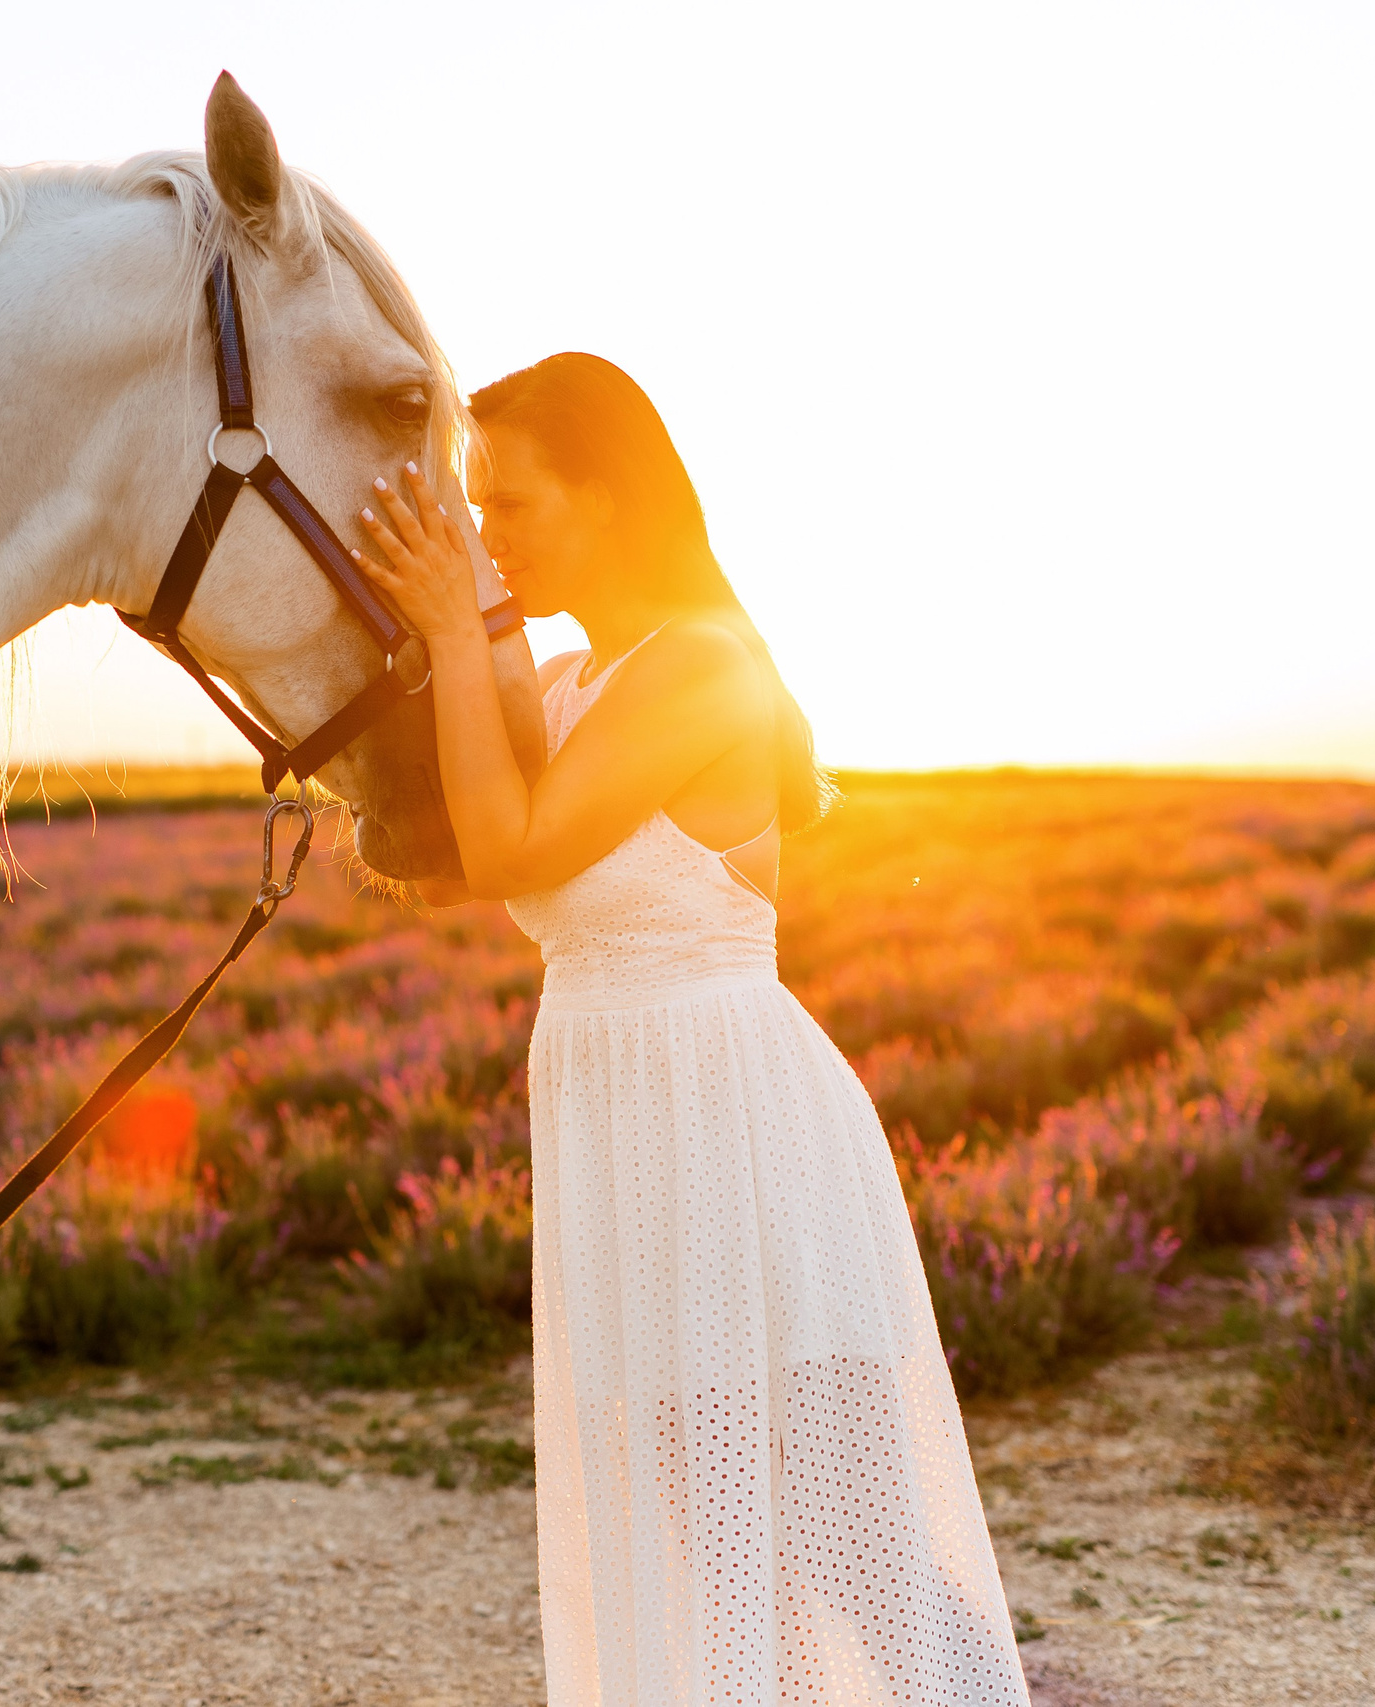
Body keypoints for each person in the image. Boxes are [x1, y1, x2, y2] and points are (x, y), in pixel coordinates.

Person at [352, 353, 1029, 1706]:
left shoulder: (704, 670)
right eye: (476, 508)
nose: (489, 535)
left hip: (736, 1122)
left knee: (851, 1535)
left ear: (612, 501)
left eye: (514, 504)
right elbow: (439, 861)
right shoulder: (566, 681)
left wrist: (452, 626)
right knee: (700, 1524)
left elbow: (516, 844)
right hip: (619, 1124)